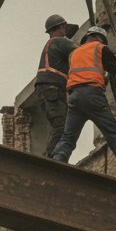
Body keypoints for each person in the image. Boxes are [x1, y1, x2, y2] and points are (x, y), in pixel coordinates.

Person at [47, 26, 116, 184]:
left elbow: (82, 73)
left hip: (74, 97)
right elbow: (114, 69)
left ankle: (57, 160)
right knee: (113, 135)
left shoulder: (74, 53)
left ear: (86, 37)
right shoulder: (100, 48)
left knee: (68, 137)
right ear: (101, 39)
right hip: (93, 96)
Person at [35, 14, 78, 152]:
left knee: (60, 125)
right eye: (63, 27)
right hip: (52, 89)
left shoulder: (50, 44)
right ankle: (50, 159)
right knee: (61, 126)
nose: (65, 30)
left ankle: (54, 155)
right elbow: (82, 53)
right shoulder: (61, 42)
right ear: (58, 28)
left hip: (46, 90)